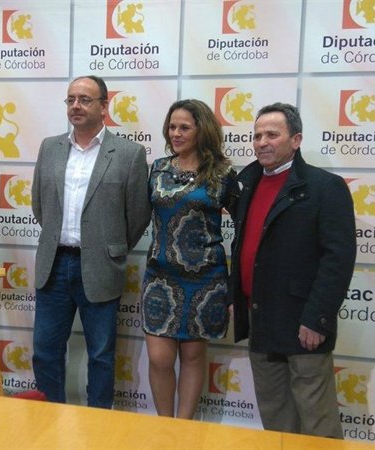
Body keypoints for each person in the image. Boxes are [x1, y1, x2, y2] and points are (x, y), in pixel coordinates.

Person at [229, 102, 356, 437]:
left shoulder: (325, 187)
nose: (262, 142)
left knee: (318, 423)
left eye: (272, 134)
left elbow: (338, 260)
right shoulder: (247, 184)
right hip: (260, 317)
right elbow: (243, 247)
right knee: (276, 419)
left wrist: (317, 319)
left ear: (296, 140)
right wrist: (234, 297)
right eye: (257, 135)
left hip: (303, 323)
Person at [31, 75, 152, 409]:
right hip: (54, 266)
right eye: (71, 99)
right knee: (45, 351)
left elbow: (137, 216)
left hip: (101, 266)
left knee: (101, 355)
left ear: (103, 106)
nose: (76, 106)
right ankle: (48, 421)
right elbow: (39, 205)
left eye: (85, 99)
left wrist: (109, 248)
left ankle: (98, 424)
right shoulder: (50, 147)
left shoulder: (128, 154)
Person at [141, 99, 238, 419]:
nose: (176, 133)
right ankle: (165, 426)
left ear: (202, 130)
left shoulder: (222, 174)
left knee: (194, 357)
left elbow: (245, 225)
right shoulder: (158, 168)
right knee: (159, 359)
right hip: (160, 276)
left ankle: (183, 430)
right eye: (172, 127)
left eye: (184, 127)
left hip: (205, 280)